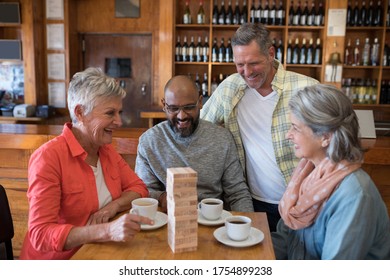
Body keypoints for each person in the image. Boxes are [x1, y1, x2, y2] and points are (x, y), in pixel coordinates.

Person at [20, 67, 153, 260]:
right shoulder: (48, 157)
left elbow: (139, 188)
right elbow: (40, 234)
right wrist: (106, 231)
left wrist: (113, 206)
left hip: (97, 253)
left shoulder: (105, 150)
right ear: (80, 113)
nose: (119, 121)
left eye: (119, 112)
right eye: (110, 113)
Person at [200, 23, 319, 231]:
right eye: (239, 65)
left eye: (253, 63)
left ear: (271, 53)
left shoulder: (308, 89)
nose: (246, 72)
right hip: (250, 203)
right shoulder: (230, 88)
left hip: (303, 203)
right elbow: (200, 129)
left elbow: (334, 145)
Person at [272, 84, 390, 259]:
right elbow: (286, 238)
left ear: (325, 137)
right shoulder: (307, 172)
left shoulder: (355, 195)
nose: (288, 135)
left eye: (296, 128)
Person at [135, 75, 254, 213]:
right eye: (173, 108)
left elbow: (237, 193)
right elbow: (143, 190)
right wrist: (162, 197)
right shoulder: (149, 141)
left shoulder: (222, 139)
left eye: (189, 107)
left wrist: (249, 225)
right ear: (164, 105)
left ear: (200, 102)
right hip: (167, 217)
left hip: (211, 218)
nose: (181, 116)